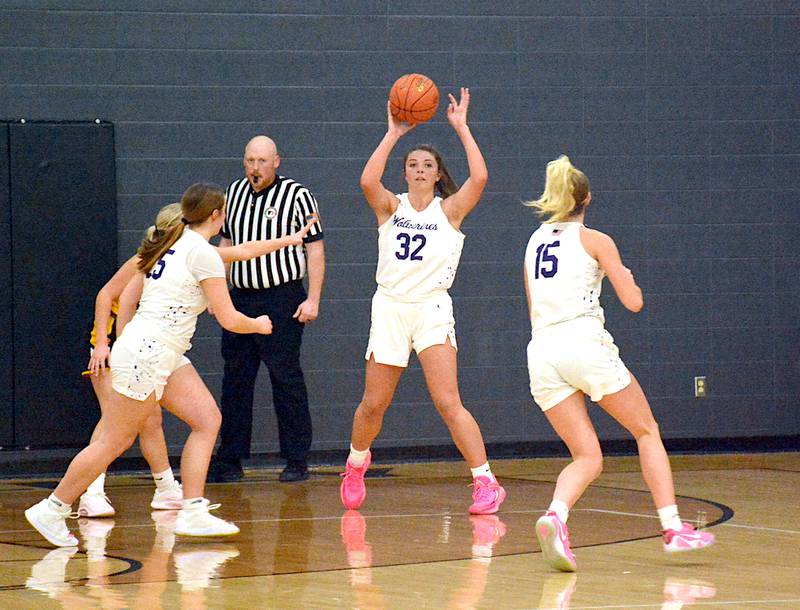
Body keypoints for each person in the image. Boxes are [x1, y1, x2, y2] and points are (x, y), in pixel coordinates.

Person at [25, 184, 314, 547]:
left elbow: (243, 251)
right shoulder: (200, 254)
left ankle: (191, 509)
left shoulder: (177, 243)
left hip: (166, 353)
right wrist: (257, 323)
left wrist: (291, 240)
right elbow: (228, 318)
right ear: (215, 215)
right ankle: (52, 508)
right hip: (148, 351)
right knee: (115, 439)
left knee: (208, 419)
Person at [523, 155, 715, 572]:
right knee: (646, 431)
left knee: (586, 455)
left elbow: (532, 305)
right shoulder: (596, 240)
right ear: (587, 198)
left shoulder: (534, 241)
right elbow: (634, 302)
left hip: (541, 350)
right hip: (582, 342)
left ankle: (555, 515)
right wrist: (622, 274)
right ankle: (672, 527)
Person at [339, 88, 506, 515]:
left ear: (436, 175)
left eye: (426, 165)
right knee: (374, 403)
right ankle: (357, 464)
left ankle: (485, 481)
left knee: (449, 402)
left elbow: (481, 178)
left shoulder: (449, 211)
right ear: (405, 173)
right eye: (412, 165)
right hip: (390, 307)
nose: (418, 169)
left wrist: (463, 128)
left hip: (431, 308)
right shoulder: (389, 208)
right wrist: (393, 132)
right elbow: (365, 180)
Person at [209, 135, 325, 484]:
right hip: (241, 298)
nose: (255, 168)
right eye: (249, 161)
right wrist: (219, 295)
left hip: (282, 298)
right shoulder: (233, 194)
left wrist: (313, 298)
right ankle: (230, 460)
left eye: (262, 161)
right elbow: (225, 246)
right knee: (236, 379)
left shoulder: (298, 195)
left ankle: (296, 459)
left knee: (285, 377)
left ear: (277, 161)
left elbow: (315, 250)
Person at [77, 204, 186, 518]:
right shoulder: (144, 259)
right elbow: (105, 295)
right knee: (116, 420)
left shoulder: (184, 261)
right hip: (114, 340)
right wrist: (100, 343)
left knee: (150, 418)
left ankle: (166, 490)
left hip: (142, 342)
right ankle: (91, 492)